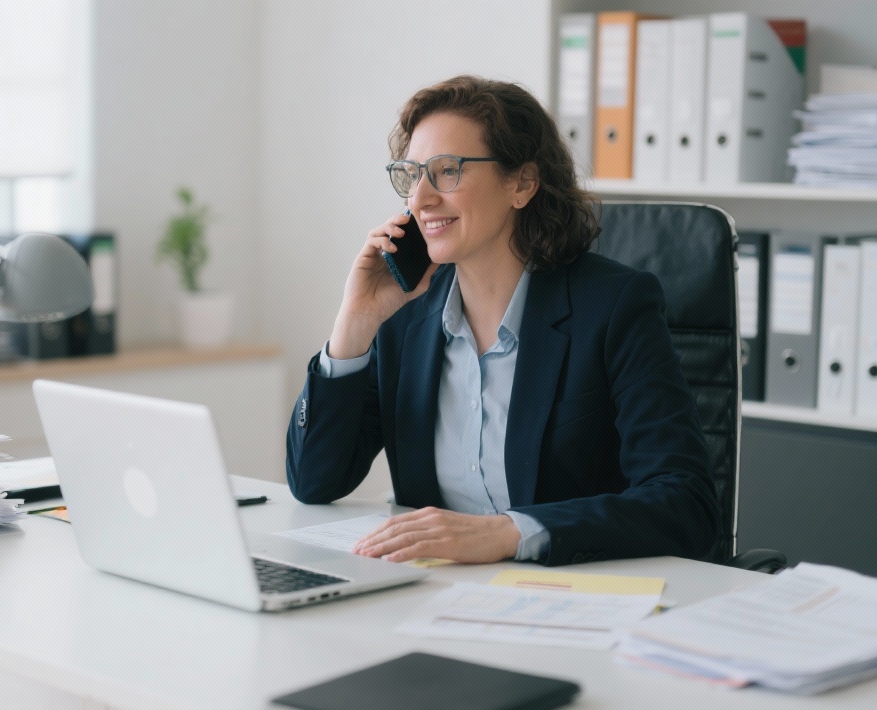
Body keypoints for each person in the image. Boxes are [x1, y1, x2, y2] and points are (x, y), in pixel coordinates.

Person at [285, 75, 719, 566]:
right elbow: (314, 481)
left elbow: (686, 504)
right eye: (412, 174)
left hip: (574, 596)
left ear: (522, 183)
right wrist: (353, 325)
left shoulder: (615, 306)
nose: (420, 199)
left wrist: (512, 533)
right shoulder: (404, 318)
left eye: (447, 171)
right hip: (437, 595)